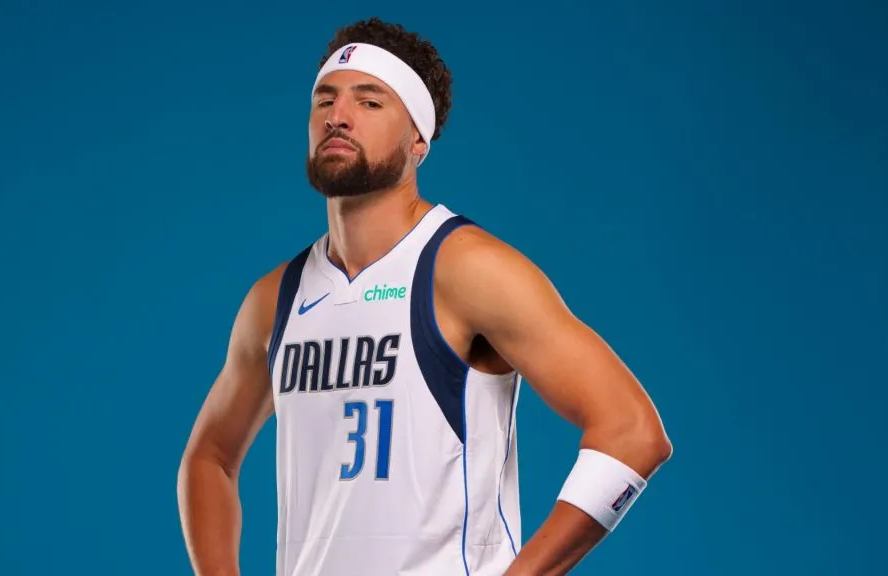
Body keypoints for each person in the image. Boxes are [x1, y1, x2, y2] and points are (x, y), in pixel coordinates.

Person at [177, 17, 673, 576]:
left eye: (370, 103)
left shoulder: (467, 270)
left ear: (419, 139)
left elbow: (633, 433)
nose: (338, 116)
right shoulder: (275, 300)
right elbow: (210, 458)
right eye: (325, 99)